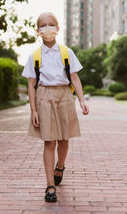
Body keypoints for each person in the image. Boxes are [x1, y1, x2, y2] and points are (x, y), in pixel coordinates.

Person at [22, 12, 89, 203]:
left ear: (58, 29)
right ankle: (50, 185)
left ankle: (60, 166)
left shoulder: (67, 52)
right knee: (49, 142)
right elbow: (31, 83)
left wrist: (82, 100)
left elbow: (74, 77)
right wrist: (33, 110)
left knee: (64, 139)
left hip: (65, 96)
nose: (47, 28)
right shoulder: (34, 56)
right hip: (44, 96)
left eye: (51, 25)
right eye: (43, 25)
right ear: (38, 31)